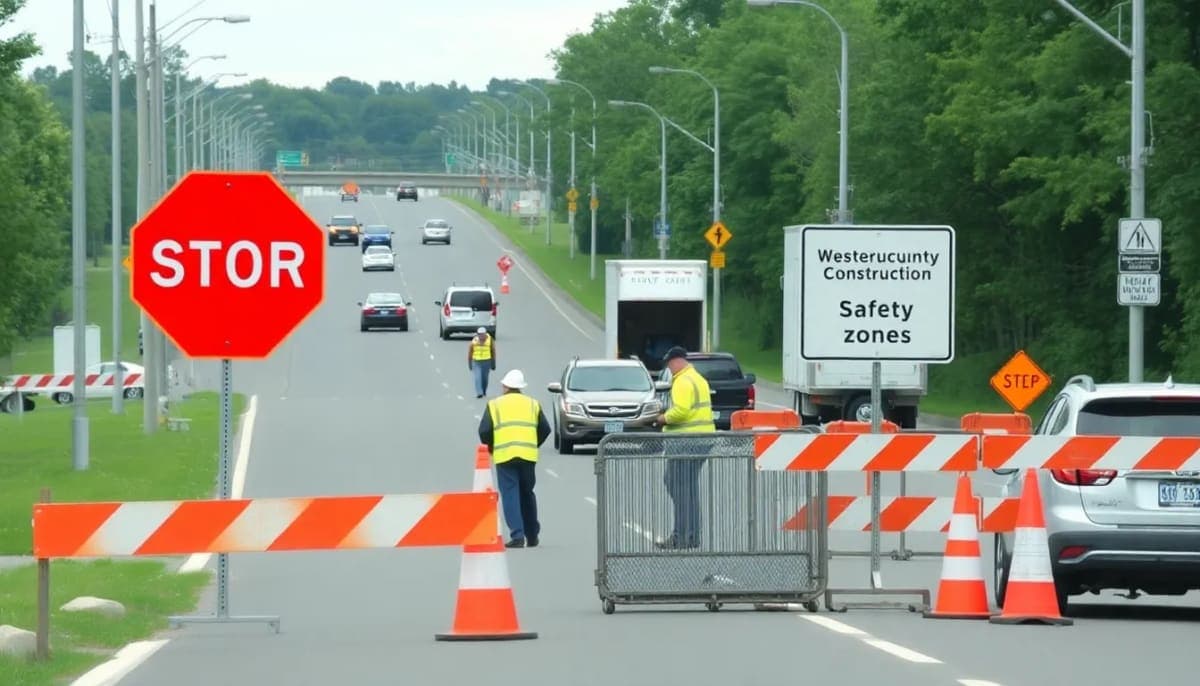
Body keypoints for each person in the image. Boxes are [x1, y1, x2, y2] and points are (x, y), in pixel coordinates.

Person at [478, 369, 551, 548]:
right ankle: (532, 535)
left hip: (505, 456)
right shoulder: (533, 404)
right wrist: (533, 444)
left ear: (505, 386)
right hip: (528, 455)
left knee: (510, 494)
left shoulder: (494, 405)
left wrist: (493, 447)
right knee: (527, 493)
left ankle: (517, 535)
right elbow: (545, 429)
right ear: (520, 387)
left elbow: (484, 430)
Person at [653, 346, 715, 550]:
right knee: (688, 489)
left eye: (670, 364)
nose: (669, 369)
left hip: (685, 442)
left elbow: (681, 411)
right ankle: (691, 535)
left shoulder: (681, 381)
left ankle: (681, 536)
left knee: (678, 487)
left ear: (678, 361)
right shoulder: (699, 379)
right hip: (703, 441)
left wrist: (662, 418)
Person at [467, 327, 495, 398]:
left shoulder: (490, 340)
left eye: (482, 334)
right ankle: (479, 392)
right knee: (477, 377)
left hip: (486, 361)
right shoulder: (474, 341)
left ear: (485, 334)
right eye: (479, 334)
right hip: (476, 361)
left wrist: (493, 363)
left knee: (485, 378)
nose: (481, 336)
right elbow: (470, 353)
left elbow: (493, 351)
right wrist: (470, 364)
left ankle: (484, 390)